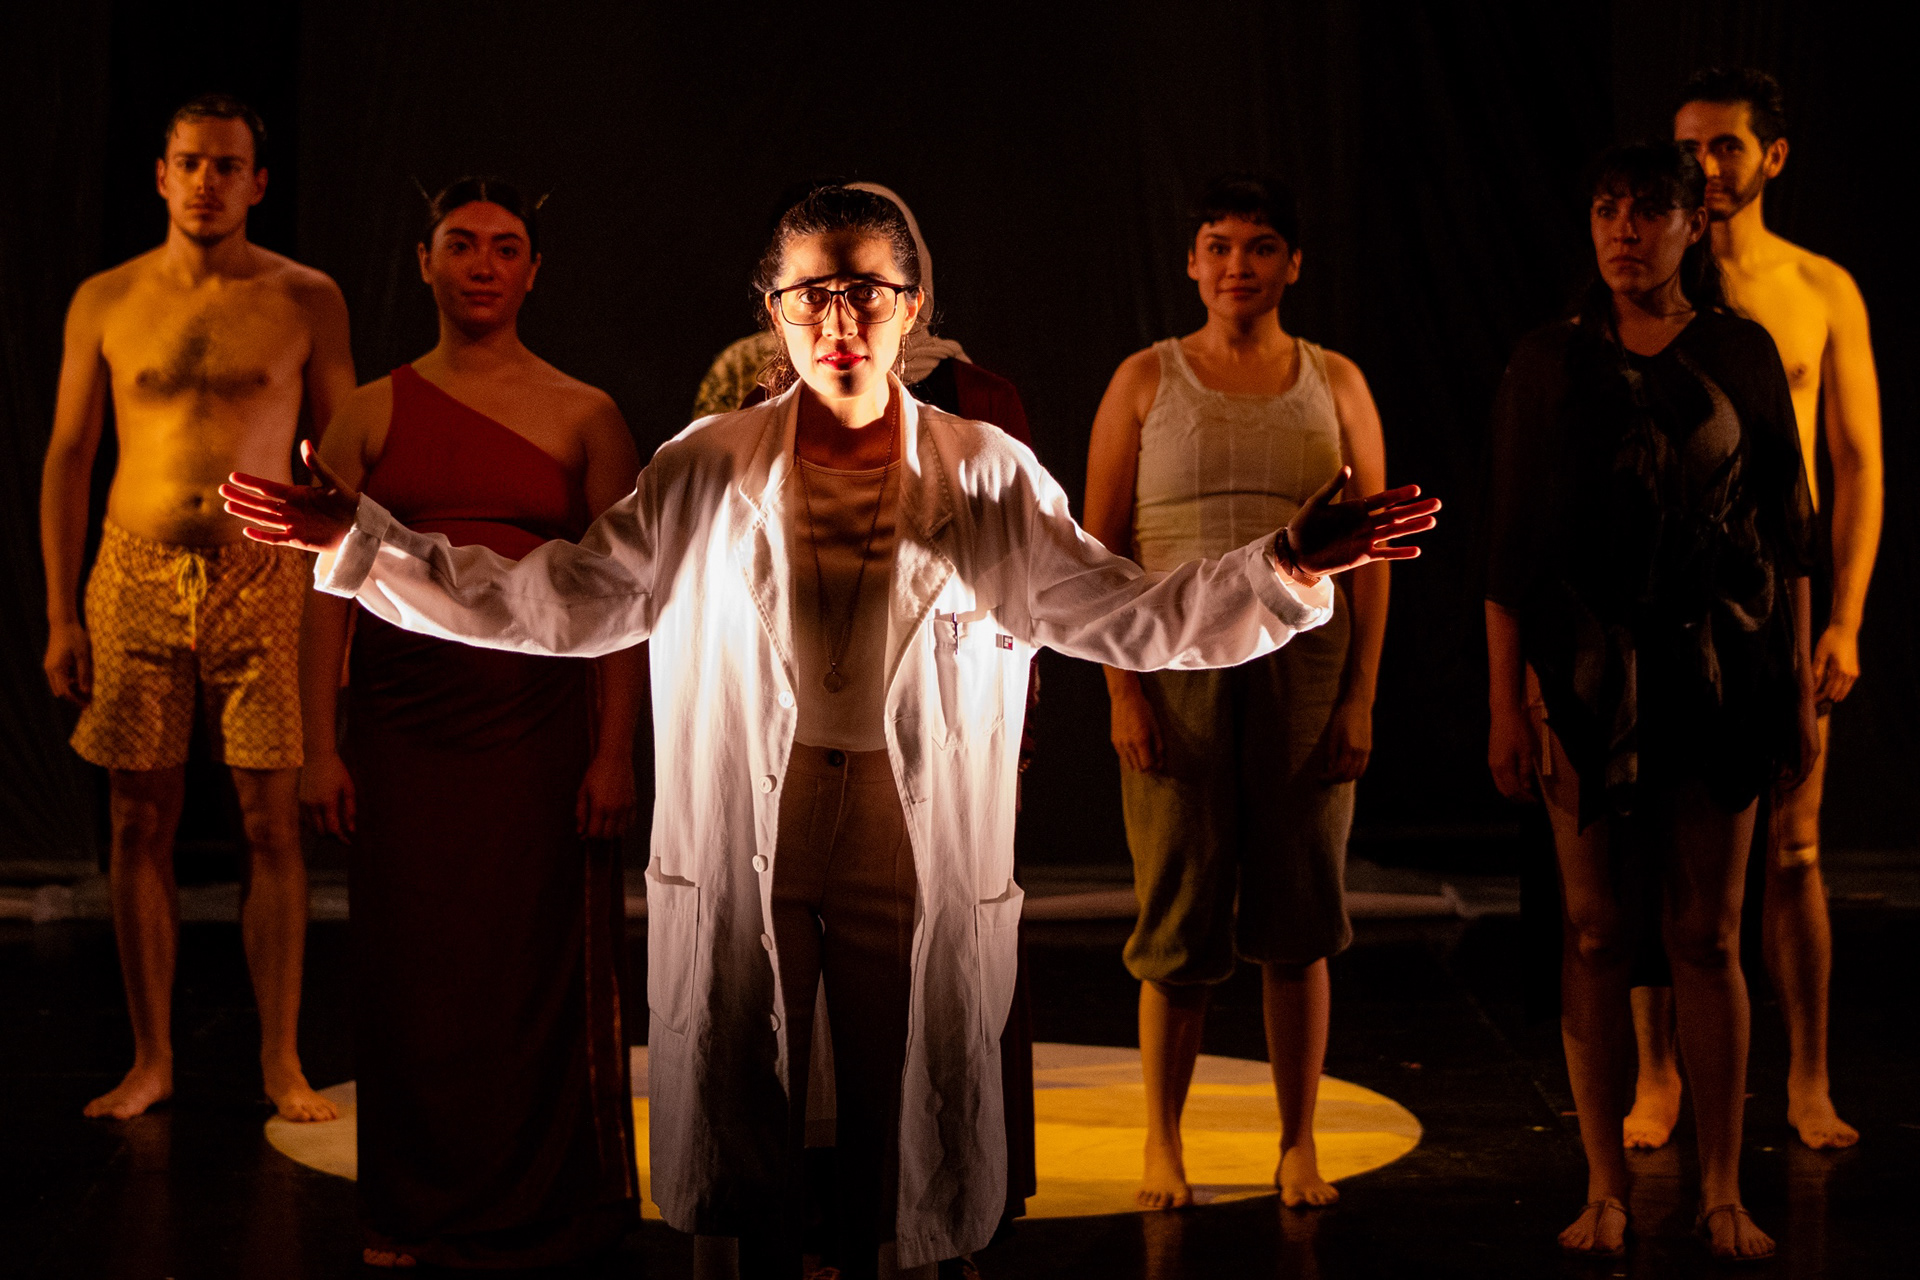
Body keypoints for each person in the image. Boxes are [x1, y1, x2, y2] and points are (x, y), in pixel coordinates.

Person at [223, 185, 1438, 1280]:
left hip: (910, 825)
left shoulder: (986, 471)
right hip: (760, 810)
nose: (840, 318)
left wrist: (1284, 567)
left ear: (913, 307)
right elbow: (563, 599)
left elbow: (1123, 609)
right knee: (747, 1084)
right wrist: (365, 545)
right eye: (811, 293)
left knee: (901, 1092)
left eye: (867, 289)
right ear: (773, 311)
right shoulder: (708, 467)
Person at [297, 178, 644, 1269]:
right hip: (404, 733)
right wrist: (319, 744)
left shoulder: (587, 414)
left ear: (534, 271)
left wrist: (614, 749)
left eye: (504, 247)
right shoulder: (369, 411)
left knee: (535, 969)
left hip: (537, 733)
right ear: (425, 262)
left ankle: (548, 1208)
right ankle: (412, 1208)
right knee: (412, 973)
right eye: (461, 244)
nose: (482, 264)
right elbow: (324, 592)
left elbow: (625, 601)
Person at [1485, 143, 1817, 1263]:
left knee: (1706, 932)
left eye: (1649, 212)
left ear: (1693, 223)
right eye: (1607, 210)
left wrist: (1799, 688)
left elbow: (1789, 528)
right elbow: (1510, 547)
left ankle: (1722, 1186)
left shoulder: (1738, 349)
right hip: (1584, 673)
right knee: (1593, 927)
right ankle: (1604, 1184)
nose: (1625, 232)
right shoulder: (1550, 360)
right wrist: (1504, 702)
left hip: (1721, 667)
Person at [39, 92, 355, 1122]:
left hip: (263, 574)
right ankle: (151, 1058)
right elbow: (70, 455)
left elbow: (343, 459)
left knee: (273, 822)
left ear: (258, 182)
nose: (207, 182)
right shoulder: (106, 297)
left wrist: (344, 606)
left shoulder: (306, 297)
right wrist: (61, 612)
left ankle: (281, 1060)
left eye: (227, 166)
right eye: (190, 163)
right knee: (138, 818)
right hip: (133, 568)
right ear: (161, 175)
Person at [1082, 174, 1389, 1211]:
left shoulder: (1337, 382)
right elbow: (1098, 553)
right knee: (1177, 920)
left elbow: (1376, 556)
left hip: (1305, 678)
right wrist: (1123, 694)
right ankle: (1162, 1143)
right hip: (1176, 676)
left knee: (1300, 916)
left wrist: (1360, 697)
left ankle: (1297, 1143)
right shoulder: (1144, 379)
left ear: (1292, 264)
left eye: (1259, 247)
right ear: (1190, 262)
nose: (1237, 265)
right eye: (1217, 245)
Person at [1616, 69, 1883, 1153]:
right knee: (1653, 848)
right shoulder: (1644, 282)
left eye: (1727, 146)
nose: (1708, 167)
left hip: (1779, 596)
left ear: (1772, 156)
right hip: (1663, 598)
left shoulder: (1819, 288)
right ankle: (1657, 1072)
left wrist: (1844, 618)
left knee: (1795, 849)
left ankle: (1808, 1074)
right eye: (1691, 147)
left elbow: (1856, 465)